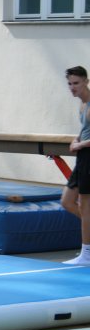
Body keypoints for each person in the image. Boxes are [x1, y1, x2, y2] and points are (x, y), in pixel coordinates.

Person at [62, 66, 90, 266]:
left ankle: (87, 254)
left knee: (86, 206)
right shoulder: (82, 105)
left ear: (86, 82)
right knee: (67, 201)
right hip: (82, 157)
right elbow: (85, 129)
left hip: (88, 156)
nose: (72, 87)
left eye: (76, 83)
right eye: (70, 84)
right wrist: (76, 139)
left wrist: (80, 145)